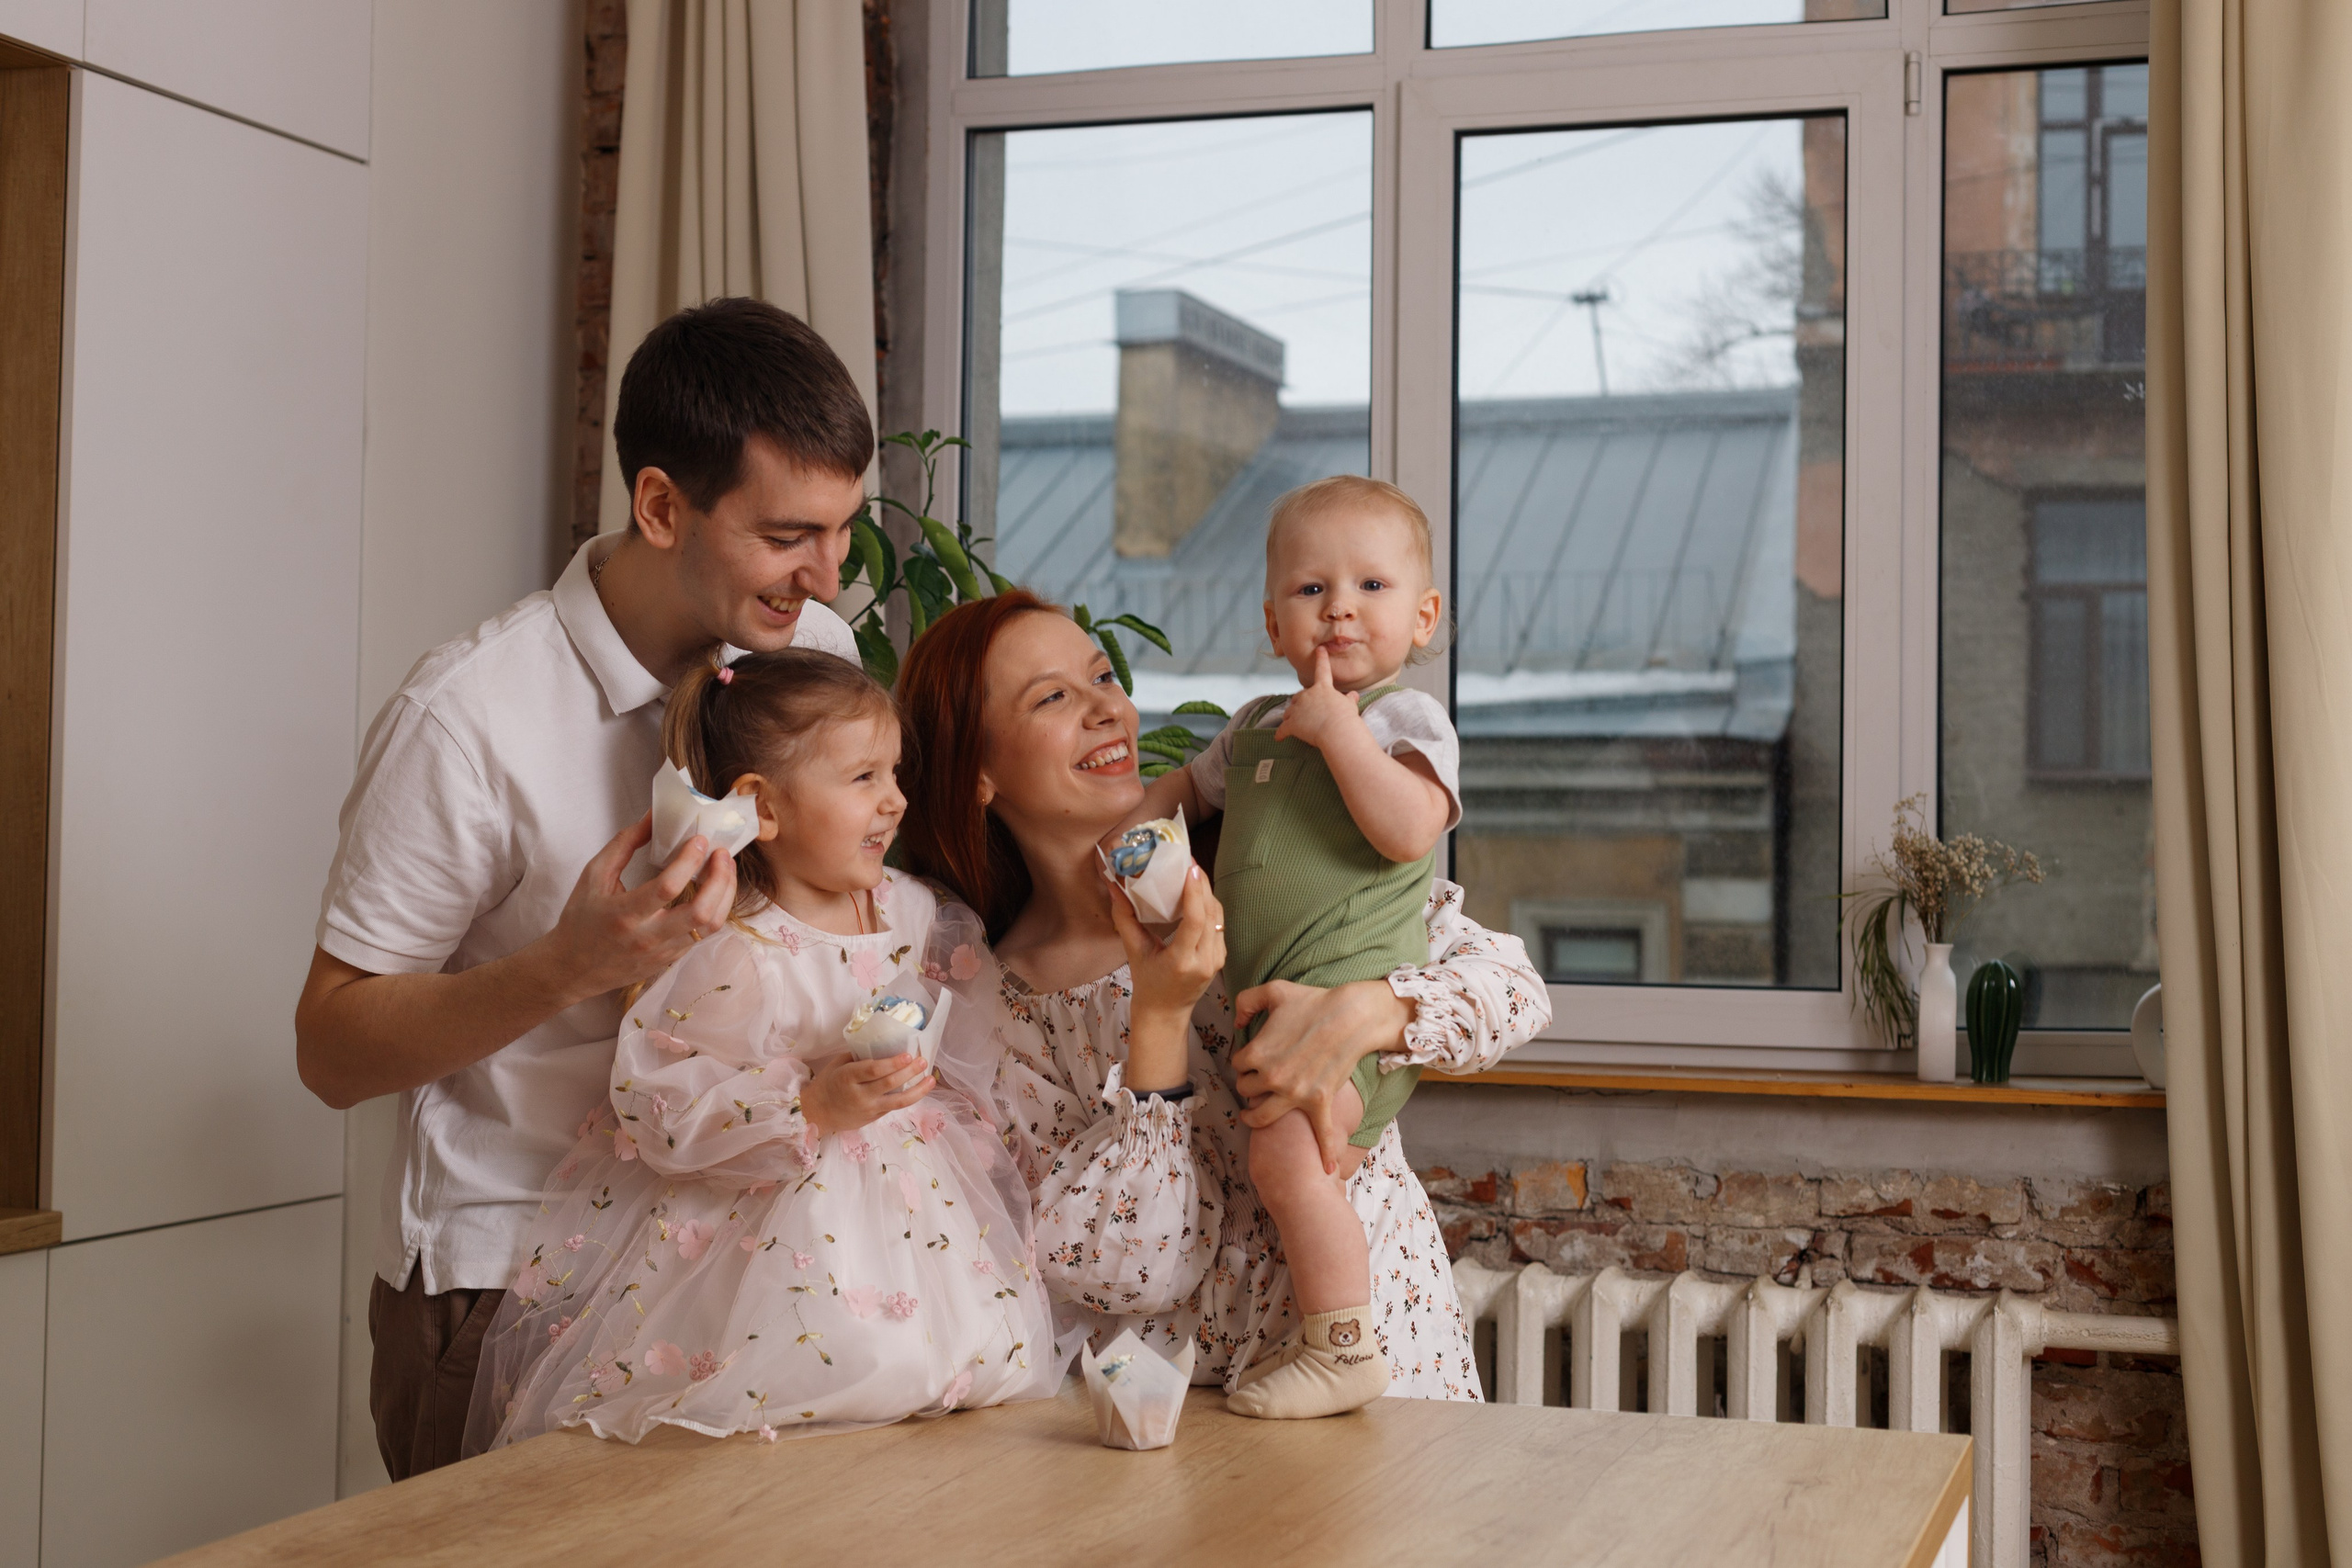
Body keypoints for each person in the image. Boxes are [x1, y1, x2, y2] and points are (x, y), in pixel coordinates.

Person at [294, 298, 882, 1480]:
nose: (826, 577)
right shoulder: (466, 718)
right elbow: (332, 1048)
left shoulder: (810, 653)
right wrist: (573, 962)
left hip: (741, 1271)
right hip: (512, 1288)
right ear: (661, 506)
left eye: (840, 531)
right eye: (786, 536)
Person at [897, 591, 1548, 1409]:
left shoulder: (1254, 859)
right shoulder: (1002, 1006)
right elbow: (1136, 1269)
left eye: (1102, 675)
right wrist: (1160, 1016)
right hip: (1200, 1415)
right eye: (1053, 697)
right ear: (978, 770)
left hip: (1392, 1360)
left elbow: (1515, 987)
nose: (1107, 707)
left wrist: (1371, 1011)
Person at [463, 650, 1055, 1450]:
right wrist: (808, 1103)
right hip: (782, 1208)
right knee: (832, 1363)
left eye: (894, 771)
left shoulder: (910, 911)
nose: (896, 799)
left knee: (968, 1356)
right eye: (863, 778)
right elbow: (661, 1102)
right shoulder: (740, 952)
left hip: (918, 1199)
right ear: (763, 808)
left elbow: (975, 1037)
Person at [1133, 475, 1455, 1417]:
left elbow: (1409, 830)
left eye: (1371, 587)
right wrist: (1131, 840)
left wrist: (1342, 736)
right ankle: (1323, 1338)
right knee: (1277, 1158)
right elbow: (1180, 798)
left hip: (1352, 1017)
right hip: (1273, 1018)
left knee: (1281, 1162)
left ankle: (1343, 1347)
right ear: (1274, 624)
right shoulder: (1252, 730)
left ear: (1423, 618)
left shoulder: (1405, 722)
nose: (1339, 609)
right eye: (1311, 591)